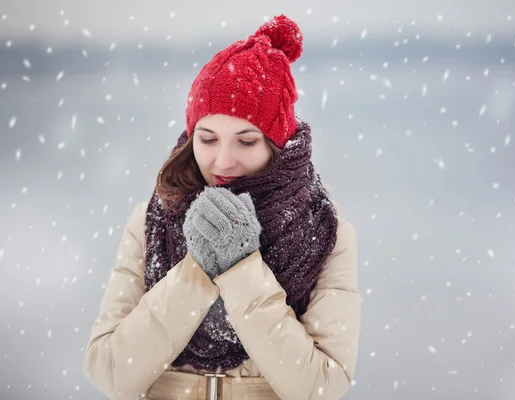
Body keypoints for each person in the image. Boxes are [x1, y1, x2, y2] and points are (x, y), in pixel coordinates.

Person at [82, 14, 361, 400]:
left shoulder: (324, 228)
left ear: (276, 144)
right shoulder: (152, 218)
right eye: (208, 139)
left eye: (246, 142)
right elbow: (110, 371)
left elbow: (319, 386)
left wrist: (240, 267)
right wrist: (197, 268)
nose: (223, 161)